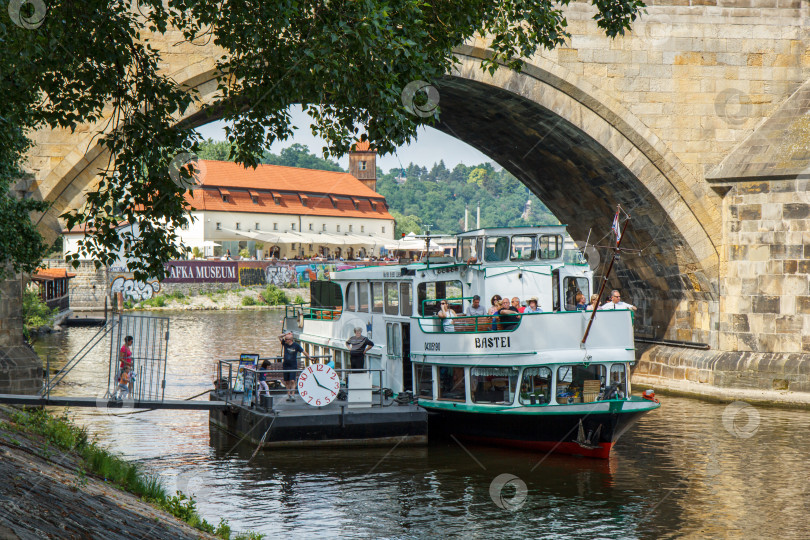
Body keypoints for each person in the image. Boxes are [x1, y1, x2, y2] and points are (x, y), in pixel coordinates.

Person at [279, 331, 311, 401]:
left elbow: (303, 351)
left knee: (292, 380)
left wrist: (309, 357)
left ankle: (293, 394)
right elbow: (279, 337)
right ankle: (288, 394)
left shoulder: (296, 345)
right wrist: (286, 334)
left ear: (290, 340)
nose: (285, 340)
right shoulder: (285, 344)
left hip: (293, 365)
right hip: (286, 365)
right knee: (287, 381)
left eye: (286, 339)